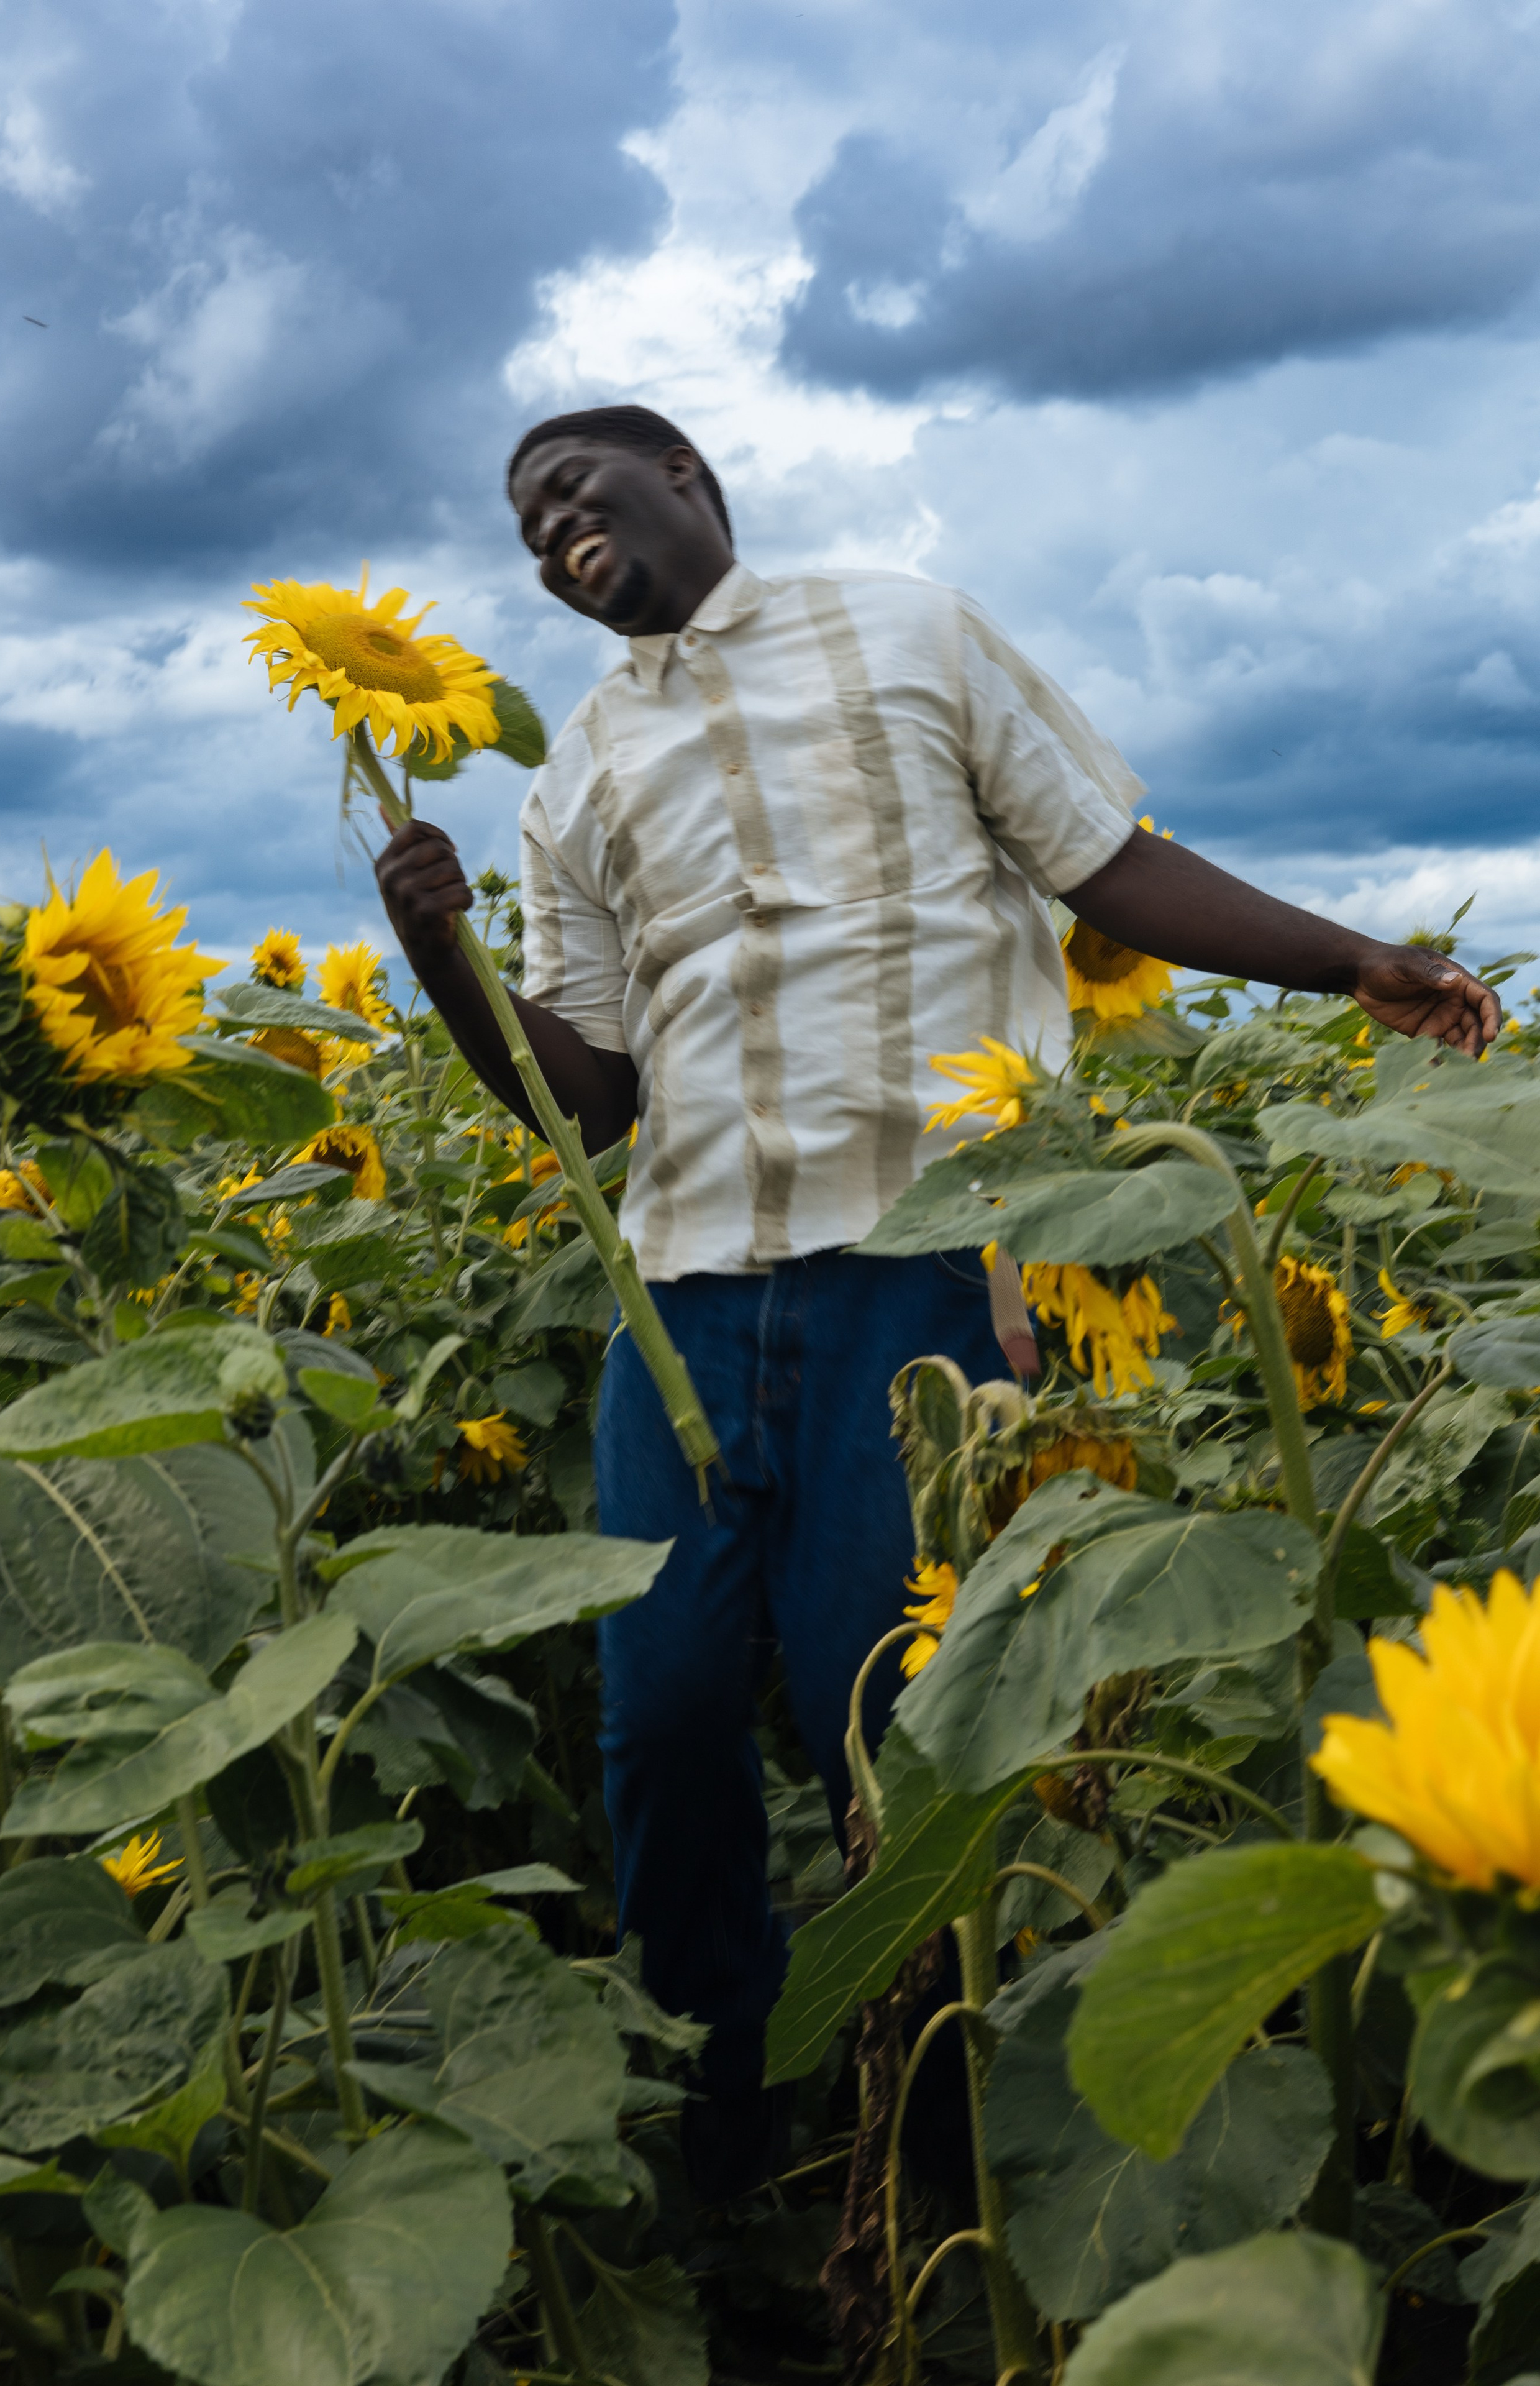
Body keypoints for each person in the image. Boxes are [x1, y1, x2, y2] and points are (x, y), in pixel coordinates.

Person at [375, 404, 1500, 2200]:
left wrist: (1348, 958)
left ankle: (926, 2154)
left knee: (893, 1725)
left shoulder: (911, 631)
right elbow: (585, 1109)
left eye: (574, 491)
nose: (551, 536)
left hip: (917, 1280)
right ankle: (731, 2146)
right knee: (656, 1723)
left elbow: (1105, 864)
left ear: (688, 479)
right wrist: (440, 958)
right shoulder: (571, 773)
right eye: (523, 532)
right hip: (682, 1305)